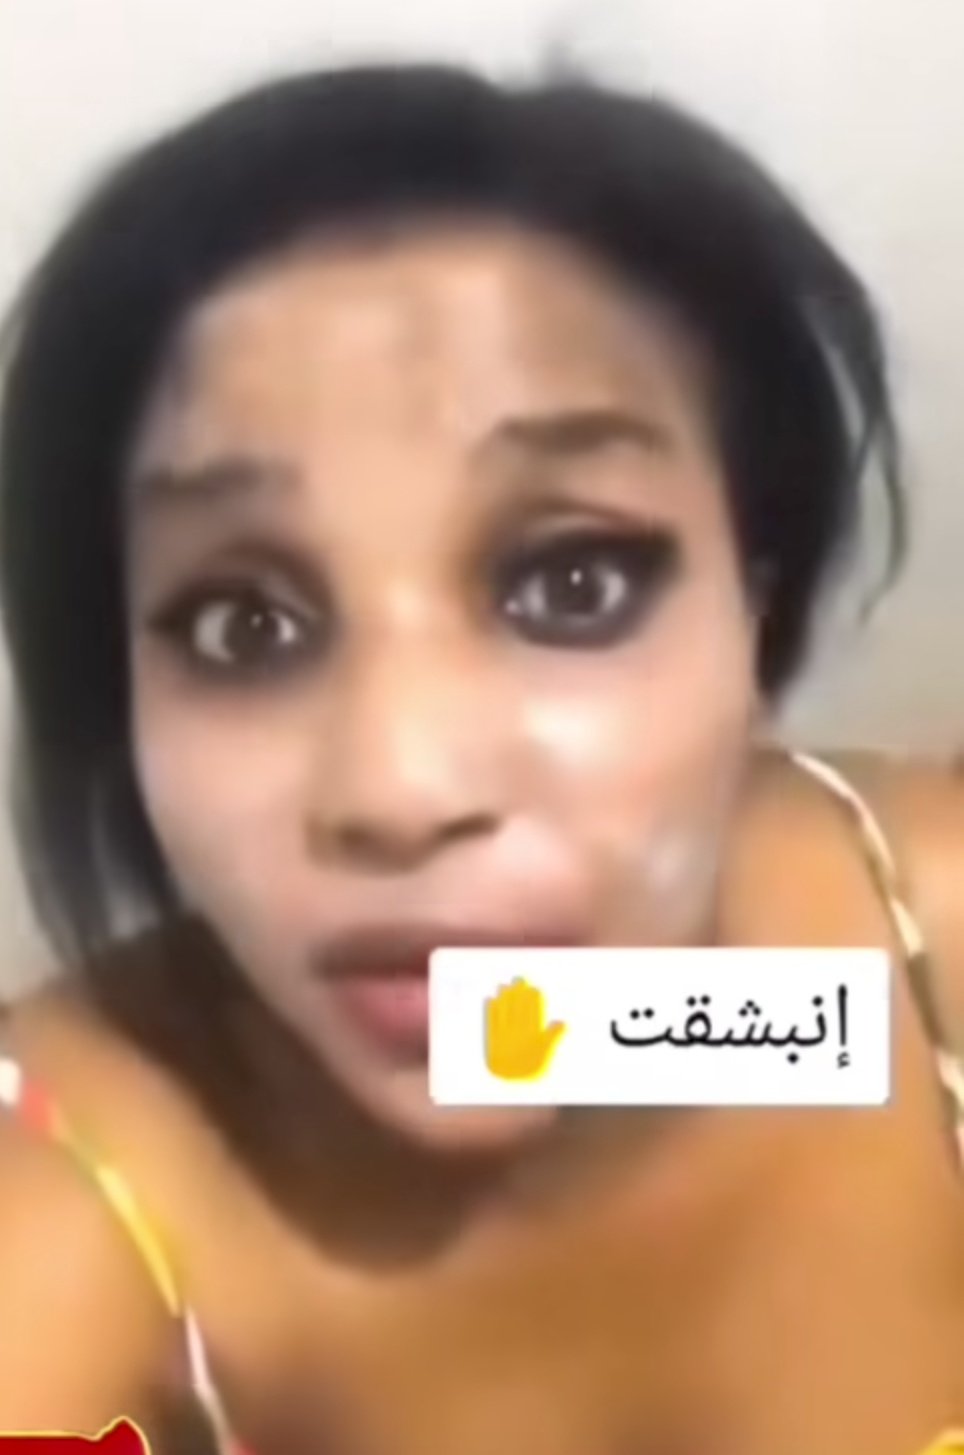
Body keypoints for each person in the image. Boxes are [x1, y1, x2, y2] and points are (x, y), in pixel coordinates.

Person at [0, 63, 960, 1455]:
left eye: (571, 584)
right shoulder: (70, 1225)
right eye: (242, 623)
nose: (403, 789)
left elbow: (707, 1030)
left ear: (757, 613)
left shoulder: (897, 970)